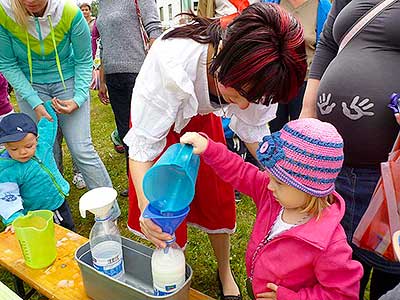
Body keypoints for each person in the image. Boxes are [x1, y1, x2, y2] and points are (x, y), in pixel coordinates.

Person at [124, 3, 307, 299]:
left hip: (201, 119)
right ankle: (174, 264)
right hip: (160, 118)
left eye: (255, 97)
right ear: (222, 57)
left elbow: (256, 134)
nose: (246, 106)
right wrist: (148, 209)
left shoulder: (260, 71)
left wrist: (290, 181)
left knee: (217, 196)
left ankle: (225, 270)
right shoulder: (171, 61)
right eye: (242, 95)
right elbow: (141, 150)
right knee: (164, 202)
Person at [180, 118, 363, 299]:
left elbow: (342, 294)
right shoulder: (273, 196)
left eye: (279, 182)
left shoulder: (329, 244)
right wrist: (209, 149)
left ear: (309, 188)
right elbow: (240, 171)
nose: (269, 185)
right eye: (270, 176)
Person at [299, 0, 400, 298]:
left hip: (389, 180)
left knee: (390, 274)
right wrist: (307, 110)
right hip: (335, 170)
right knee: (336, 268)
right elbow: (328, 44)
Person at [0, 0, 113, 194]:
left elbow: (84, 59)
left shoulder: (70, 13)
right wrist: (34, 102)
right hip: (30, 85)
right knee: (43, 149)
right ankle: (53, 205)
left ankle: (107, 213)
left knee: (81, 149)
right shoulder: (4, 13)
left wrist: (78, 98)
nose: (30, 1)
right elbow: (8, 63)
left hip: (67, 81)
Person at [96, 0, 162, 197]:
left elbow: (155, 31)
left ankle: (156, 182)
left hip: (138, 73)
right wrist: (102, 78)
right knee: (126, 133)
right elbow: (103, 44)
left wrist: (155, 67)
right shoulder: (102, 3)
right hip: (113, 76)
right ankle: (135, 182)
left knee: (144, 131)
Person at [0, 103, 74, 231]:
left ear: (36, 139)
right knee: (51, 235)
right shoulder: (7, 171)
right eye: (14, 148)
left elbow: (48, 124)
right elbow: (7, 197)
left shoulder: (43, 144)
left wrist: (49, 105)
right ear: (5, 146)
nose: (22, 152)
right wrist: (14, 219)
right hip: (38, 211)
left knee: (68, 230)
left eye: (28, 146)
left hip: (58, 200)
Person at [262, 0, 331, 132]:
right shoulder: (270, 3)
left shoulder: (323, 7)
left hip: (305, 83)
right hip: (274, 81)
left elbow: (327, 49)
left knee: (300, 133)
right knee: (271, 130)